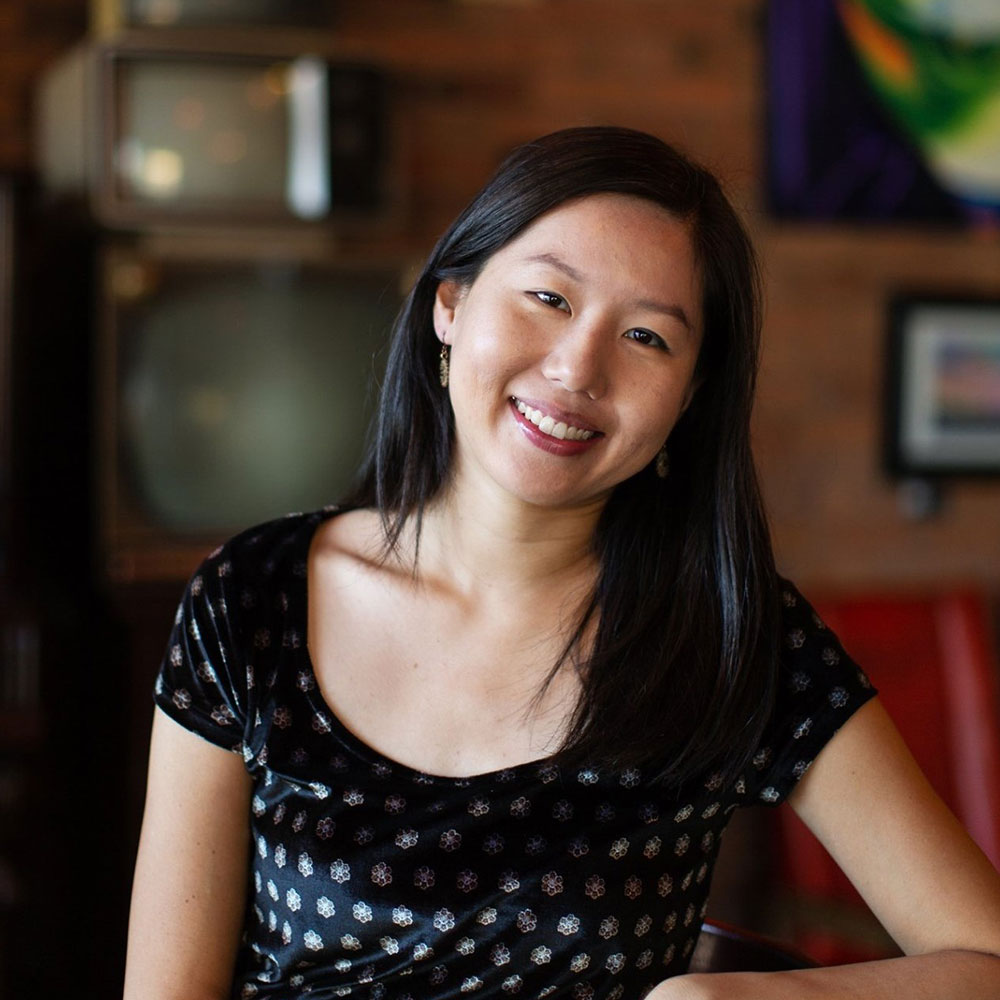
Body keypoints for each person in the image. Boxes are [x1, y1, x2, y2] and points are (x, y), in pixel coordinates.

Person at [123, 126, 1000, 1000]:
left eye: (648, 338)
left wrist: (741, 997)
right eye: (548, 296)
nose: (578, 367)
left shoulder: (730, 632)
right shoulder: (252, 598)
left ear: (690, 399)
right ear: (451, 303)